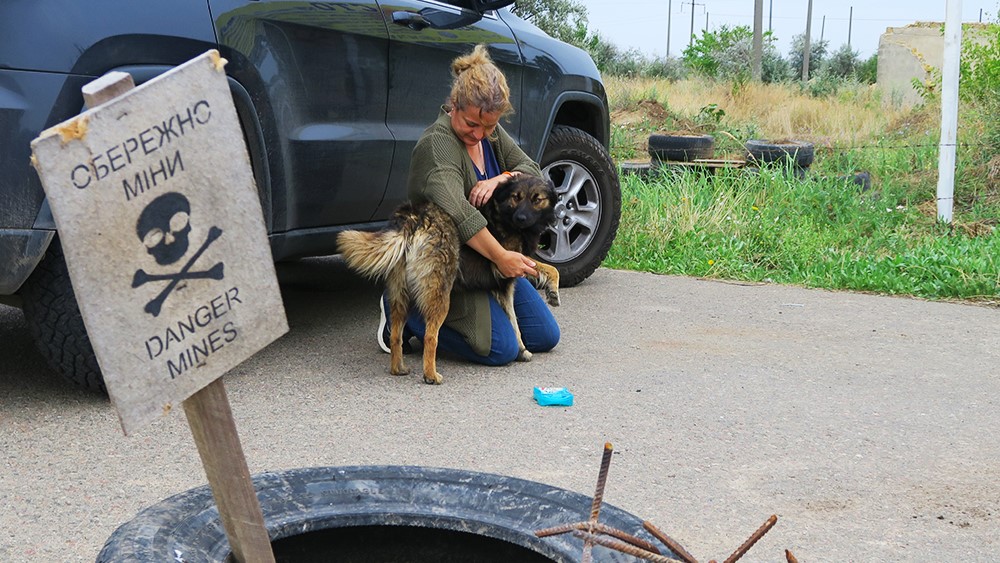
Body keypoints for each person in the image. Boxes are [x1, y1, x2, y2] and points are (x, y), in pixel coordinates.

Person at [377, 44, 560, 366]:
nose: (480, 134)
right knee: (500, 350)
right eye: (472, 124)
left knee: (545, 337)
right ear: (454, 105)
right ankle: (406, 311)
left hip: (484, 258)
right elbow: (459, 213)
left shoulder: (489, 130)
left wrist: (500, 178)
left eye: (489, 126)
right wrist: (502, 257)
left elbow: (532, 170)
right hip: (449, 261)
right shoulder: (438, 146)